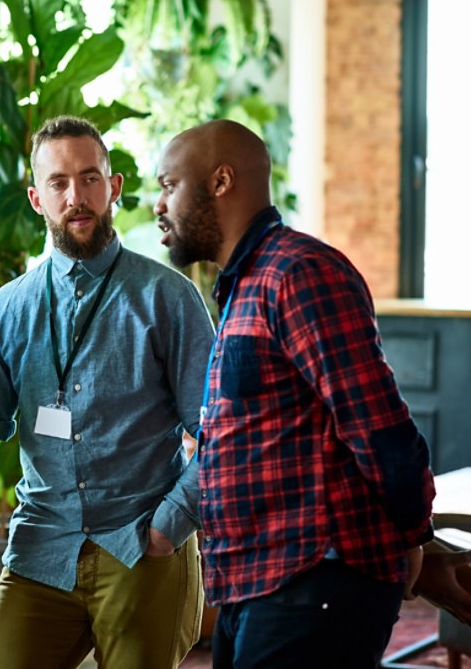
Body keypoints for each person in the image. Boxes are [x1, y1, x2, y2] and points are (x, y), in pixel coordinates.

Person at [153, 118, 437, 667]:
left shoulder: (297, 272)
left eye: (169, 186)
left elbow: (376, 422)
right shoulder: (243, 286)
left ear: (221, 181)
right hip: (256, 583)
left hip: (315, 580)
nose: (158, 206)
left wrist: (413, 532)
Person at [0, 116, 215, 669]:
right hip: (41, 550)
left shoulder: (168, 299)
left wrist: (169, 527)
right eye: (58, 183)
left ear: (114, 187)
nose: (76, 197)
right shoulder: (5, 311)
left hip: (142, 547)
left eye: (89, 178)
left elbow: (221, 434)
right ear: (36, 198)